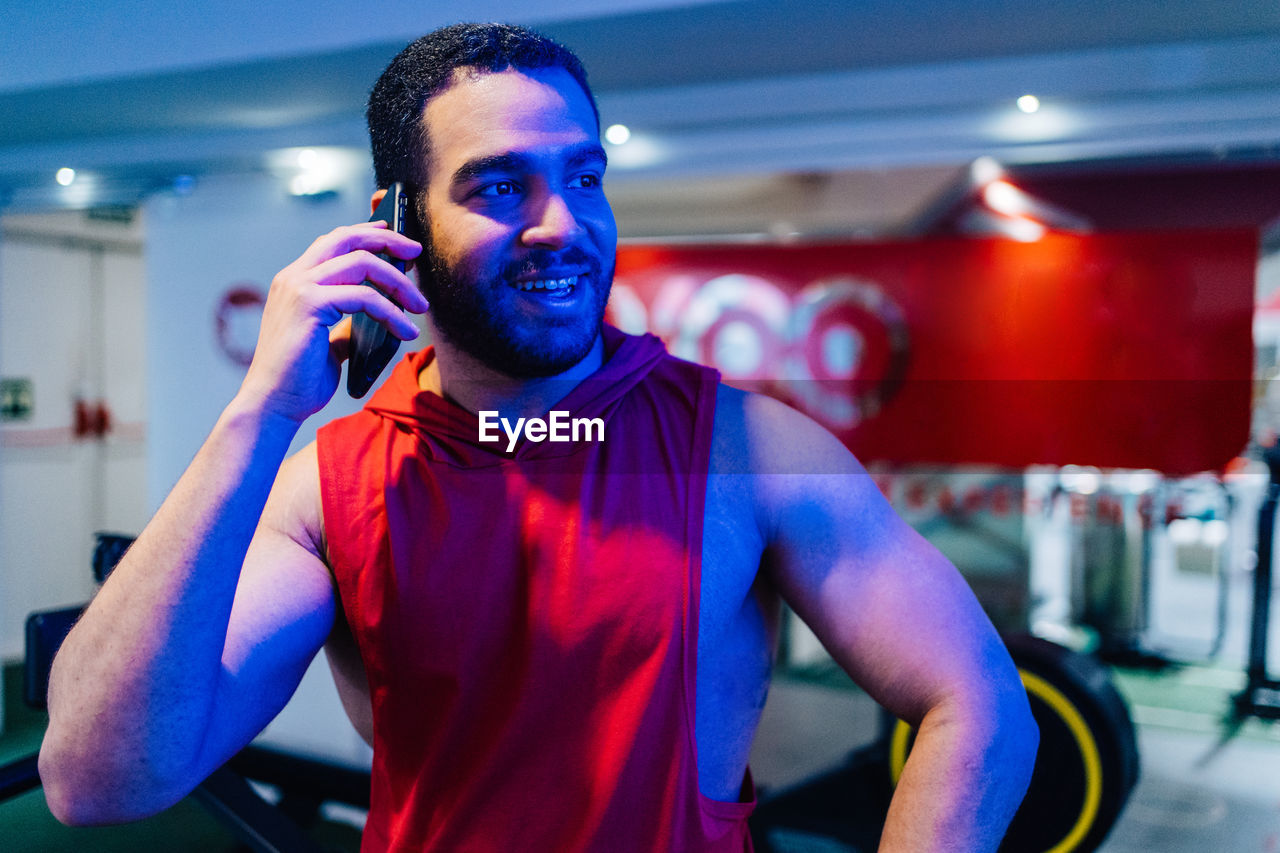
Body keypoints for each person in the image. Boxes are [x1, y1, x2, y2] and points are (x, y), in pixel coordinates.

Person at [39, 22, 1037, 852]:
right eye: (500, 186)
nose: (562, 223)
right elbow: (97, 776)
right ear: (398, 223)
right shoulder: (327, 488)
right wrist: (257, 413)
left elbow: (975, 702)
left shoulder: (747, 450)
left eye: (584, 175)